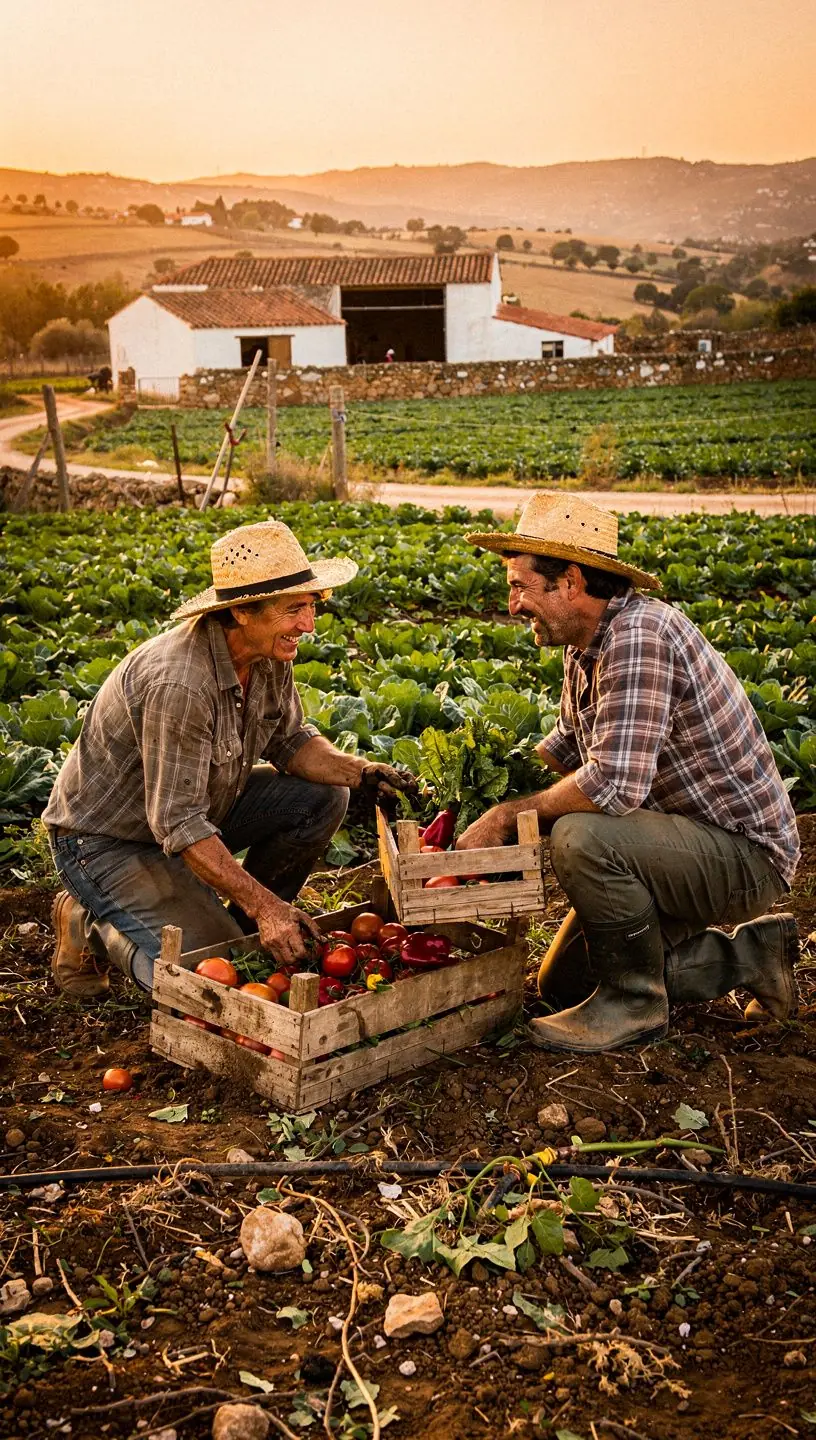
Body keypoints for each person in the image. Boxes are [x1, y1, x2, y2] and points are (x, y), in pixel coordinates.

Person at [458, 492, 801, 1053]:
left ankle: (636, 1006)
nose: (513, 603)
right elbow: (567, 749)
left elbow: (611, 786)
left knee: (581, 835)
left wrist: (508, 815)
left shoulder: (639, 636)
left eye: (520, 586)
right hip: (674, 845)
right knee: (562, 984)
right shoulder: (586, 643)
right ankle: (751, 955)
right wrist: (478, 799)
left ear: (569, 581)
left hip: (744, 858)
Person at [44, 519, 417, 1000]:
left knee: (324, 797)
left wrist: (359, 771)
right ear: (243, 612)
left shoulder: (266, 653)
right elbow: (177, 822)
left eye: (310, 608)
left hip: (193, 815)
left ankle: (235, 927)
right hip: (109, 841)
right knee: (207, 979)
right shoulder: (179, 682)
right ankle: (92, 921)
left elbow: (290, 742)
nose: (307, 625)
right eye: (293, 610)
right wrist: (268, 907)